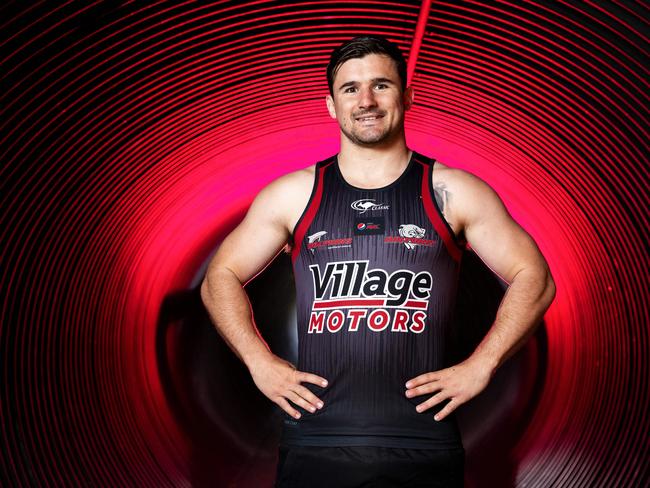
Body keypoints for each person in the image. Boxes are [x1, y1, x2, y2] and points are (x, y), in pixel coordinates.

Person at [200, 35, 556, 487]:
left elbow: (535, 278)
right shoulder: (292, 195)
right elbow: (219, 277)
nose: (365, 100)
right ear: (331, 105)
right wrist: (258, 360)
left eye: (381, 85)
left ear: (407, 95)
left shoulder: (454, 191)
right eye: (350, 89)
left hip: (423, 444)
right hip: (316, 441)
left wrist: (480, 365)